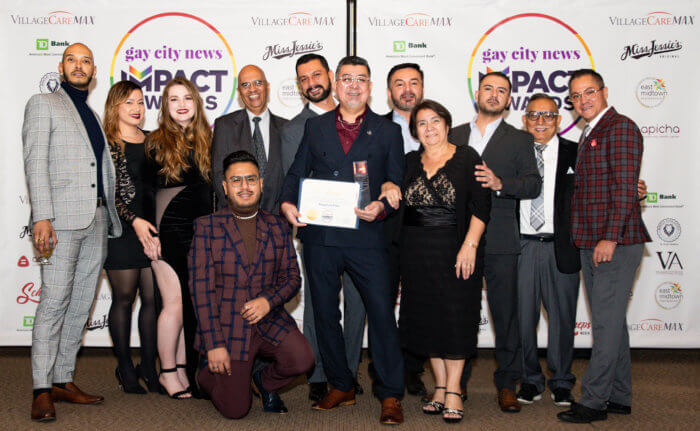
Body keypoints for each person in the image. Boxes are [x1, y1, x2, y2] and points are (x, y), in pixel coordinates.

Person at [280, 56, 406, 425]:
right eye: (346, 79)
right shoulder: (316, 127)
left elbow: (394, 183)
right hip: (321, 237)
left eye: (361, 80)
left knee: (382, 315)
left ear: (371, 87)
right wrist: (288, 202)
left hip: (368, 236)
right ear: (336, 84)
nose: (353, 86)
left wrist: (382, 206)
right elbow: (296, 172)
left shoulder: (388, 131)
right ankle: (340, 383)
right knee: (324, 313)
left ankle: (391, 393)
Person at [23, 43, 122, 422]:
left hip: (96, 221)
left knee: (81, 304)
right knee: (54, 302)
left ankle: (63, 378)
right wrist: (42, 217)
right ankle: (40, 389)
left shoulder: (92, 114)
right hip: (60, 223)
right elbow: (35, 163)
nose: (78, 67)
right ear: (61, 67)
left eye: (85, 62)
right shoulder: (42, 104)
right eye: (71, 60)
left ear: (93, 71)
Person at [190, 150, 314, 418]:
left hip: (268, 319)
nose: (244, 186)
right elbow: (201, 291)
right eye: (236, 181)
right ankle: (206, 373)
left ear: (261, 183)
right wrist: (214, 344)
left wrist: (268, 301)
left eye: (250, 179)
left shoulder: (278, 226)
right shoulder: (206, 228)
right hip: (227, 327)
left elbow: (292, 278)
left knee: (303, 359)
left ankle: (263, 381)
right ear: (225, 187)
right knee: (236, 410)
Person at [558, 69, 650, 424]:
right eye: (576, 95)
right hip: (593, 241)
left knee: (606, 326)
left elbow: (626, 188)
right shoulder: (590, 131)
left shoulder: (620, 127)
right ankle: (619, 395)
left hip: (614, 241)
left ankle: (595, 400)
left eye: (589, 92)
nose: (583, 100)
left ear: (605, 91)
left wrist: (609, 238)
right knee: (612, 324)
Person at [449, 71, 542, 412]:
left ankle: (507, 383)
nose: (493, 95)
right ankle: (456, 383)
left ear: (509, 100)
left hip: (502, 241)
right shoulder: (454, 134)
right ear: (477, 93)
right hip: (460, 241)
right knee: (460, 314)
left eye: (501, 91)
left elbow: (533, 184)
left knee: (506, 317)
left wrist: (500, 182)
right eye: (488, 88)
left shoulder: (520, 139)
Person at [397, 100, 490, 423]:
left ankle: (454, 390)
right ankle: (439, 386)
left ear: (447, 125)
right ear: (415, 131)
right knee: (426, 321)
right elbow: (396, 197)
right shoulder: (409, 161)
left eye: (435, 121)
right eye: (422, 124)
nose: (429, 128)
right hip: (416, 254)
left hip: (456, 251)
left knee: (455, 319)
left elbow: (481, 206)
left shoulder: (466, 158)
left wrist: (470, 245)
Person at [281, 53, 366, 402]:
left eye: (317, 75)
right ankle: (318, 373)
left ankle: (345, 373)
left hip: (361, 230)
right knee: (319, 305)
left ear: (331, 76)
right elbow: (295, 179)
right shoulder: (292, 129)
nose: (312, 82)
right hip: (320, 231)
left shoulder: (360, 117)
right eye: (304, 79)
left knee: (358, 304)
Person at [145, 76, 213, 399]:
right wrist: (149, 233)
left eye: (187, 97)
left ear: (196, 102)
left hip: (197, 231)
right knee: (172, 303)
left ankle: (183, 369)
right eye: (174, 99)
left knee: (189, 302)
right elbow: (146, 194)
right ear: (165, 105)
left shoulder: (205, 139)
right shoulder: (155, 141)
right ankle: (167, 372)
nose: (181, 104)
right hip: (166, 230)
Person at [515, 94, 581, 407]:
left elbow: (598, 188)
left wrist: (634, 188)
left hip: (561, 248)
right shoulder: (512, 153)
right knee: (523, 319)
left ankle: (562, 380)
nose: (541, 122)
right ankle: (529, 380)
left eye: (548, 115)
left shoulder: (576, 152)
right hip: (522, 246)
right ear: (524, 119)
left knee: (563, 318)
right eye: (534, 115)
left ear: (558, 119)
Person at [103, 81, 159, 394]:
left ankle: (148, 366)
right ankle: (124, 367)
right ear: (115, 107)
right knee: (124, 299)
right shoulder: (107, 143)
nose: (136, 108)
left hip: (151, 229)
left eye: (140, 102)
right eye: (129, 103)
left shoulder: (152, 140)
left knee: (153, 299)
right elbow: (108, 193)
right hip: (120, 230)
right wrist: (134, 221)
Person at [380, 62, 427, 398]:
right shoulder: (374, 127)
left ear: (422, 89)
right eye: (400, 84)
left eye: (413, 83)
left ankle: (412, 368)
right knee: (382, 304)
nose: (407, 89)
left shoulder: (437, 126)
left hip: (426, 232)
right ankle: (385, 365)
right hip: (382, 232)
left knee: (417, 305)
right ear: (389, 92)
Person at [212, 65, 288, 213]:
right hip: (235, 218)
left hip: (278, 220)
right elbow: (218, 175)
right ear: (239, 92)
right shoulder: (225, 125)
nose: (252, 89)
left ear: (267, 87)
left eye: (258, 83)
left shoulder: (287, 128)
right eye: (245, 85)